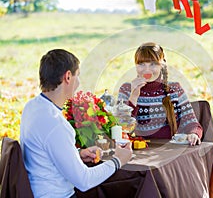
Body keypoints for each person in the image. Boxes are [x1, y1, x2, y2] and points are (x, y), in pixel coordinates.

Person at [20, 49, 132, 198]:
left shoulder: (32, 107)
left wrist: (76, 155)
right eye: (77, 76)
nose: (78, 83)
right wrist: (118, 160)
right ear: (68, 77)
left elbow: (43, 155)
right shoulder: (56, 124)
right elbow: (84, 181)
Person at [118, 42, 203, 145]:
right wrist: (133, 97)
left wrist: (193, 134)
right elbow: (121, 128)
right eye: (141, 64)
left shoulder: (174, 89)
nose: (147, 69)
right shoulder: (126, 90)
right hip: (141, 149)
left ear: (162, 65)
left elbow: (191, 123)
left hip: (172, 148)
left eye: (153, 64)